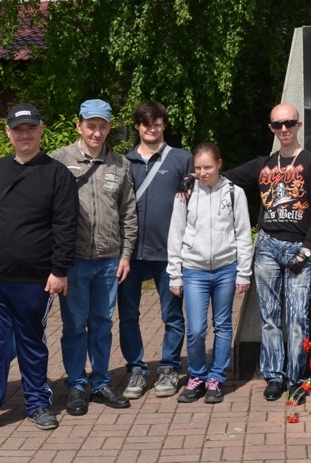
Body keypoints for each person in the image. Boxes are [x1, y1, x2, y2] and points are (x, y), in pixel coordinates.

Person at [0, 103, 78, 438]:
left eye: (30, 128)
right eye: (18, 129)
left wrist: (59, 271)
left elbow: (66, 226)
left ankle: (38, 404)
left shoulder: (58, 175)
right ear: (8, 133)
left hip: (35, 280)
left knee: (31, 342)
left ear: (41, 130)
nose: (24, 135)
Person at [224, 103, 311, 403]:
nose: (284, 129)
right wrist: (191, 179)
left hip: (299, 248)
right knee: (269, 316)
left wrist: (307, 250)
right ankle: (274, 376)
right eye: (277, 125)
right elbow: (223, 178)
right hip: (268, 248)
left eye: (289, 123)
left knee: (297, 317)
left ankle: (297, 377)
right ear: (271, 128)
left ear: (298, 126)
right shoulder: (263, 164)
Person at [49, 99, 137, 416]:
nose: (96, 132)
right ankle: (75, 384)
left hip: (109, 260)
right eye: (91, 125)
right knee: (74, 325)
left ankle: (100, 383)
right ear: (79, 125)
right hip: (73, 261)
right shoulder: (58, 161)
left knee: (101, 323)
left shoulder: (119, 164)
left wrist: (126, 254)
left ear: (109, 127)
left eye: (102, 126)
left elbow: (128, 213)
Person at [167, 142, 253, 404]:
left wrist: (243, 273)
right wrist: (175, 273)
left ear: (219, 164)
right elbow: (176, 233)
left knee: (223, 325)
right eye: (198, 168)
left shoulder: (234, 193)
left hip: (227, 269)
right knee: (195, 329)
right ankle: (196, 377)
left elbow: (243, 234)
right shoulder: (186, 193)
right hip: (194, 269)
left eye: (208, 167)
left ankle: (216, 378)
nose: (203, 172)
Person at [118, 100, 192, 400]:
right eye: (146, 123)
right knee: (127, 316)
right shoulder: (123, 162)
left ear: (164, 124)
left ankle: (170, 367)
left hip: (169, 253)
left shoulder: (182, 159)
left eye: (158, 122)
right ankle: (136, 369)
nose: (152, 128)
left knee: (172, 315)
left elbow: (194, 205)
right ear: (137, 125)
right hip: (131, 254)